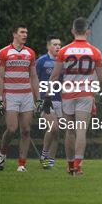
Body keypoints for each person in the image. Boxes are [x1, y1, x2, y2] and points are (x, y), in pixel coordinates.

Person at [49, 17, 102, 176]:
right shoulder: (95, 51)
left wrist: (47, 96)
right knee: (81, 131)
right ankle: (78, 166)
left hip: (67, 94)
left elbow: (54, 76)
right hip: (85, 94)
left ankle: (70, 165)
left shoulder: (64, 51)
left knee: (69, 132)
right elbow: (101, 77)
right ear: (88, 31)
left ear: (73, 31)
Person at [0, 24, 40, 172]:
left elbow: (34, 76)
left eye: (26, 32)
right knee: (11, 129)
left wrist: (38, 98)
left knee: (26, 130)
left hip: (26, 95)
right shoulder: (4, 52)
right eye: (22, 32)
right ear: (14, 34)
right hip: (10, 95)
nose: (25, 35)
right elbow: (0, 76)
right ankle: (2, 154)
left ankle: (22, 164)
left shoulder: (30, 53)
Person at [36, 35, 63, 169]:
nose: (58, 47)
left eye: (59, 44)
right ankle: (44, 154)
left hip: (60, 101)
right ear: (48, 46)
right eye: (54, 44)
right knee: (54, 127)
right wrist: (36, 100)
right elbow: (33, 80)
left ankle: (50, 162)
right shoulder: (41, 61)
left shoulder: (63, 62)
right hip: (46, 100)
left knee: (57, 133)